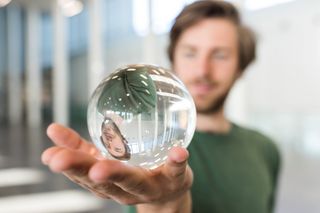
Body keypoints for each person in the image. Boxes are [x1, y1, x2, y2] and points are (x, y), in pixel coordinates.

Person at [41, 1, 281, 213]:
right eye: (190, 53)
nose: (202, 71)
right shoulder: (147, 152)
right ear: (173, 59)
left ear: (241, 67)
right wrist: (163, 203)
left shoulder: (266, 150)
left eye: (220, 55)